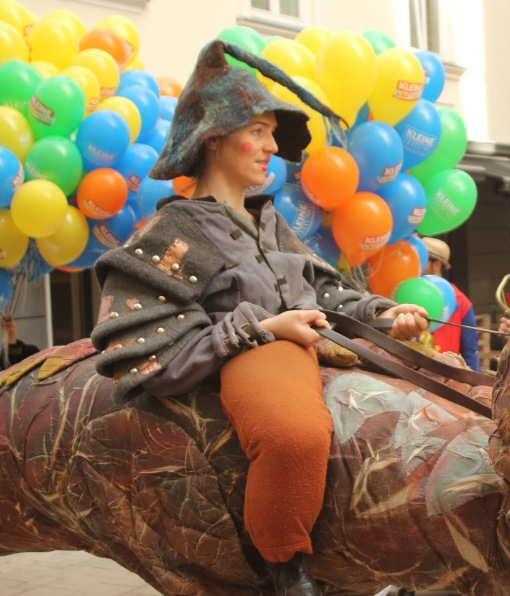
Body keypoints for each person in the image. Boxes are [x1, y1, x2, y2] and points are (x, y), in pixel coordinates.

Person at [89, 40, 428, 596]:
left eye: (273, 133)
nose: (272, 146)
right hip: (256, 359)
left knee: (427, 395)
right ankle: (284, 567)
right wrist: (266, 329)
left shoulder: (272, 223)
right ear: (214, 138)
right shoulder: (176, 232)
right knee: (293, 435)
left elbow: (326, 293)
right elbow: (153, 342)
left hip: (313, 348)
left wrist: (385, 314)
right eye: (259, 131)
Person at [419, 237, 481, 372]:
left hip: (448, 383)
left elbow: (471, 353)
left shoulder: (461, 302)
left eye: (421, 260)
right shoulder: (407, 295)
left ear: (436, 265)